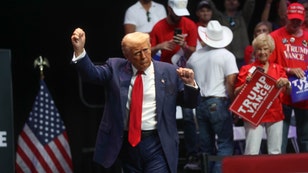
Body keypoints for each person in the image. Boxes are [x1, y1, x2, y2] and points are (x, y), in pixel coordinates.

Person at [70, 29, 200, 173]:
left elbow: (190, 103)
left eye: (146, 50)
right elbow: (92, 75)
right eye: (137, 53)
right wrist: (80, 50)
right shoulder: (115, 67)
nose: (143, 56)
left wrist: (190, 84)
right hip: (126, 145)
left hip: (158, 143)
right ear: (127, 55)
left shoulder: (169, 71)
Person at [150, 0, 200, 170]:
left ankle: (192, 154)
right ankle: (161, 151)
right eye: (176, 12)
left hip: (184, 73)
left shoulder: (190, 24)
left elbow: (193, 50)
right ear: (169, 9)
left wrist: (183, 45)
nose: (179, 16)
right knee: (164, 112)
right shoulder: (158, 27)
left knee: (188, 114)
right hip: (164, 75)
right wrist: (160, 46)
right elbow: (146, 51)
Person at [186, 20, 238, 173]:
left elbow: (189, 80)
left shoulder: (194, 57)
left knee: (206, 147)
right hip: (219, 102)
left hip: (200, 103)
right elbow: (230, 82)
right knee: (225, 144)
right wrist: (233, 104)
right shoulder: (226, 56)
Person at [234, 33, 291, 155]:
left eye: (265, 49)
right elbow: (236, 93)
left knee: (275, 152)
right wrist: (246, 85)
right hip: (253, 113)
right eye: (259, 49)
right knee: (251, 152)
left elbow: (288, 93)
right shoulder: (246, 69)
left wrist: (286, 83)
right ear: (255, 51)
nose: (262, 52)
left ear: (271, 51)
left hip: (275, 113)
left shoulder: (278, 69)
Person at [269, 2, 308, 153]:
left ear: (303, 18)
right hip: (282, 93)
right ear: (286, 17)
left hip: (304, 93)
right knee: (280, 139)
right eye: (293, 19)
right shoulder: (274, 37)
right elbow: (269, 65)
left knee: (305, 138)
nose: (296, 23)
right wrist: (290, 70)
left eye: (299, 19)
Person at [206, 0, 255, 69]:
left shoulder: (243, 16)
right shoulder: (219, 17)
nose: (231, 1)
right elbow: (210, 4)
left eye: (234, 0)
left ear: (238, 3)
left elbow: (250, 3)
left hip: (243, 57)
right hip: (225, 57)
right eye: (228, 0)